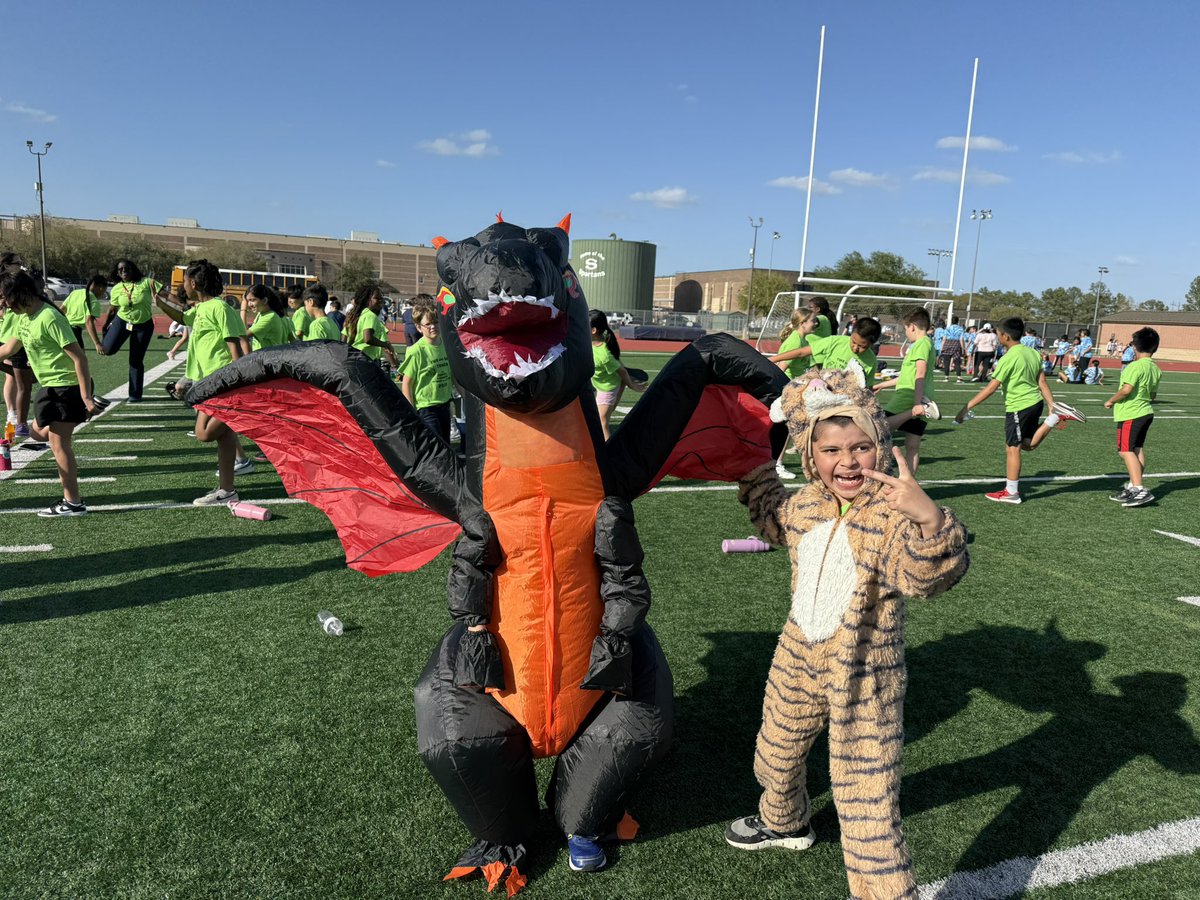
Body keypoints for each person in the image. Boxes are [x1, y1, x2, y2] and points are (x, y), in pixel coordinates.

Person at [725, 366, 968, 900]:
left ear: (880, 446)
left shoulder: (892, 513)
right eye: (831, 451)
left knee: (866, 802)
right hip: (797, 656)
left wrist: (930, 521)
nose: (847, 461)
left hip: (865, 673)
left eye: (860, 447)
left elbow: (923, 578)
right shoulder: (807, 504)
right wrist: (752, 468)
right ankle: (784, 821)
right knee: (775, 753)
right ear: (811, 456)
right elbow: (773, 519)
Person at [954, 317, 1087, 504]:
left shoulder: (1009, 357)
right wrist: (1051, 405)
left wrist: (966, 407)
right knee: (1027, 444)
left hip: (1019, 406)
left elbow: (991, 387)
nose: (997, 336)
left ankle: (1011, 492)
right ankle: (1053, 418)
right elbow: (1042, 381)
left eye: (998, 334)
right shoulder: (1032, 353)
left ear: (1005, 336)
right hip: (1035, 404)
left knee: (1012, 448)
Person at [0, 269, 98, 516]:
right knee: (36, 433)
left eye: (4, 297)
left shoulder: (50, 317)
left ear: (21, 293)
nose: (3, 303)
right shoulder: (24, 318)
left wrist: (85, 396)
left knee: (58, 443)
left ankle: (73, 502)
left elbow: (80, 358)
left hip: (67, 387)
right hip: (50, 389)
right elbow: (10, 348)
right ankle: (81, 413)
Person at [155, 259, 252, 505]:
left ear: (194, 283)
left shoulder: (220, 308)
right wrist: (160, 300)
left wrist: (236, 381)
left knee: (204, 433)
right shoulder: (200, 309)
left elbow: (234, 347)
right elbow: (182, 315)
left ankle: (239, 414)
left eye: (185, 280)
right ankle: (227, 490)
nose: (183, 286)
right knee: (224, 437)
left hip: (222, 381)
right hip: (205, 383)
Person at [874, 307, 941, 475]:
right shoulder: (927, 343)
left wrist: (917, 404)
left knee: (880, 429)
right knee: (912, 445)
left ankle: (914, 412)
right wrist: (882, 385)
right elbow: (908, 375)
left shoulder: (920, 344)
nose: (906, 333)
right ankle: (909, 483)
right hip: (921, 395)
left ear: (911, 326)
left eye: (905, 329)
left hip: (910, 395)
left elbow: (920, 372)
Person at [1104, 327, 1161, 508]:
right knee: (1136, 449)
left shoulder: (1133, 366)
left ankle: (1138, 488)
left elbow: (1126, 390)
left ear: (1134, 347)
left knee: (1125, 450)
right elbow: (1152, 396)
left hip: (1131, 413)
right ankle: (1133, 486)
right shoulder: (1155, 368)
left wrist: (1111, 401)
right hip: (1145, 412)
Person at [767, 308, 819, 479]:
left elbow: (810, 366)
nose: (815, 323)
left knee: (795, 427)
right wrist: (786, 394)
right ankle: (777, 464)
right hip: (788, 389)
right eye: (812, 320)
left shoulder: (804, 340)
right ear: (803, 323)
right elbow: (781, 369)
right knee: (785, 428)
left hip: (797, 389)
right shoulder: (795, 342)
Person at [102, 259, 162, 402]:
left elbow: (165, 294)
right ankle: (109, 339)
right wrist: (105, 326)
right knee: (107, 349)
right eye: (120, 270)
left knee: (135, 360)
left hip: (143, 325)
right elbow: (112, 310)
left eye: (127, 269)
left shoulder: (146, 282)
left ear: (133, 269)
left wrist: (183, 304)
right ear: (117, 273)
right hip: (123, 321)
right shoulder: (117, 288)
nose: (124, 272)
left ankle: (135, 394)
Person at [399, 301, 453, 442]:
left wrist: (465, 396)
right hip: (426, 408)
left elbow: (452, 374)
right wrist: (412, 412)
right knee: (436, 446)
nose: (433, 326)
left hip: (445, 404)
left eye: (435, 322)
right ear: (419, 327)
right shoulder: (416, 351)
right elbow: (406, 384)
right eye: (428, 324)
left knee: (446, 444)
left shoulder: (446, 345)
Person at [590, 308, 646, 441]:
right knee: (602, 418)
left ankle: (608, 456)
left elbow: (621, 370)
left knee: (602, 424)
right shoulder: (591, 342)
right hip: (602, 384)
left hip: (607, 388)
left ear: (593, 330)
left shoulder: (604, 355)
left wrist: (631, 385)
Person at [342, 284, 398, 369]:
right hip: (367, 360)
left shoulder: (354, 316)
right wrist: (386, 345)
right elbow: (368, 338)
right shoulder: (370, 315)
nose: (380, 301)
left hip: (352, 359)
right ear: (367, 300)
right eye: (376, 298)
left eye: (381, 298)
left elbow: (343, 340)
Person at [63, 276, 107, 354]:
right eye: (104, 290)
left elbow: (61, 310)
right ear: (100, 287)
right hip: (74, 333)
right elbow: (89, 322)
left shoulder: (75, 293)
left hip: (63, 330)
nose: (103, 293)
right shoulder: (93, 301)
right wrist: (97, 343)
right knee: (80, 362)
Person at [242, 283, 293, 350]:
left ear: (265, 300)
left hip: (267, 359)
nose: (249, 304)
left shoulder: (270, 318)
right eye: (248, 301)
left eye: (253, 300)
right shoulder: (263, 314)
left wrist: (243, 310)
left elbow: (243, 335)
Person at [937, 315, 966, 382]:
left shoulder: (947, 328)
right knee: (957, 362)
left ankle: (946, 377)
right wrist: (963, 348)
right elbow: (961, 339)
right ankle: (959, 377)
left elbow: (944, 339)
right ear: (958, 321)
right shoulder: (960, 329)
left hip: (947, 344)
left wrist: (942, 348)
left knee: (946, 362)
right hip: (956, 345)